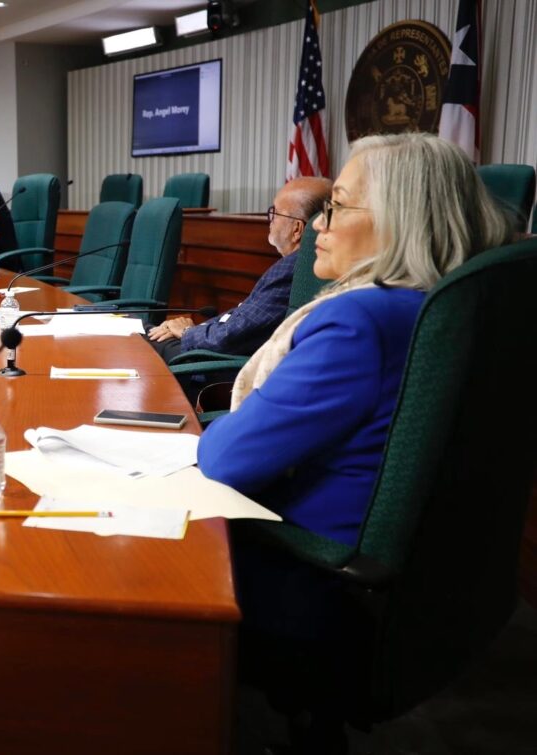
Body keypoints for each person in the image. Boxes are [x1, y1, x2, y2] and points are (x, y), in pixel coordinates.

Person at [196, 132, 514, 755]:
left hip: (314, 573)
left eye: (336, 206)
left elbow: (223, 460)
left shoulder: (357, 320)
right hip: (412, 585)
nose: (320, 224)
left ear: (395, 222)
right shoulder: (438, 306)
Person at [148, 177, 332, 362]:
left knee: (144, 340)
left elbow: (232, 336)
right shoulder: (299, 265)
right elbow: (238, 321)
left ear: (297, 230)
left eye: (275, 212)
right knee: (142, 331)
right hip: (212, 348)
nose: (270, 219)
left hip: (218, 365)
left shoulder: (291, 270)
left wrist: (188, 332)